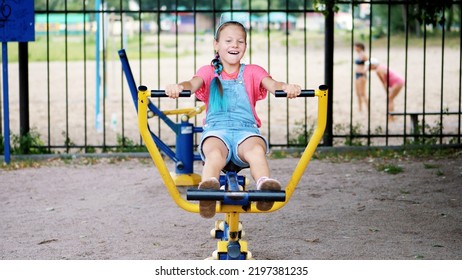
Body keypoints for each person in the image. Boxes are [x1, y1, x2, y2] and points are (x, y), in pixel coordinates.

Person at [165, 20, 301, 218]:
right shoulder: (208, 72)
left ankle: (264, 186)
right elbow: (192, 84)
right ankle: (208, 191)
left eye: (240, 41)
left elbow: (273, 85)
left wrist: (287, 87)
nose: (235, 45)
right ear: (216, 45)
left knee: (256, 150)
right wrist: (178, 87)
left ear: (245, 46)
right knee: (214, 154)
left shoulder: (253, 71)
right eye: (228, 40)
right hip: (216, 131)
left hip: (246, 131)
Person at [354, 42, 369, 112]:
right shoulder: (358, 55)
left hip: (361, 76)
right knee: (357, 93)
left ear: (359, 47)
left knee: (362, 93)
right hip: (357, 75)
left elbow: (368, 63)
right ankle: (360, 109)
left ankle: (368, 108)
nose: (354, 48)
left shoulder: (363, 55)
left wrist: (365, 70)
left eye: (355, 46)